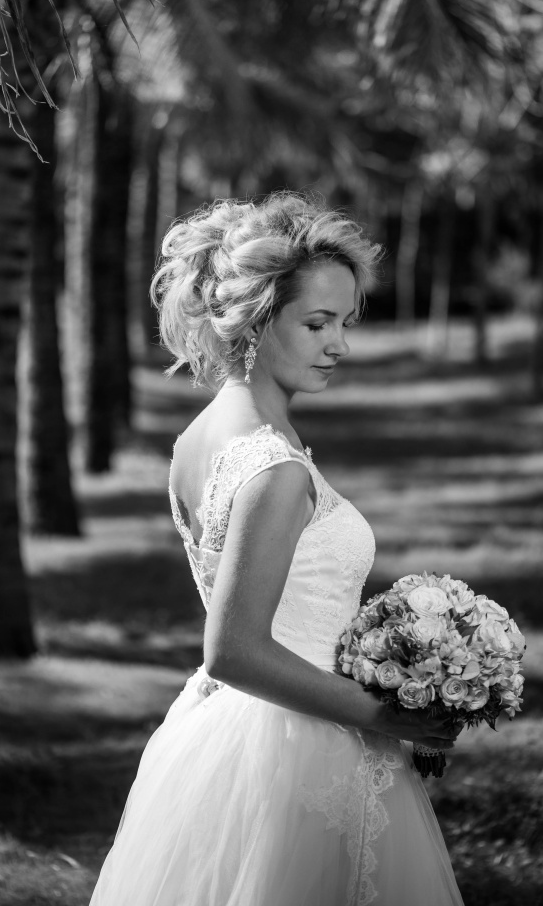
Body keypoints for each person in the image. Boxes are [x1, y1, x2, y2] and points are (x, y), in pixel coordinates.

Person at [89, 192, 464, 906]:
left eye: (345, 323)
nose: (339, 345)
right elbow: (232, 649)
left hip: (223, 735)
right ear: (258, 320)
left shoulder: (198, 438)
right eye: (317, 323)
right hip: (299, 751)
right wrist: (386, 714)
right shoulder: (274, 469)